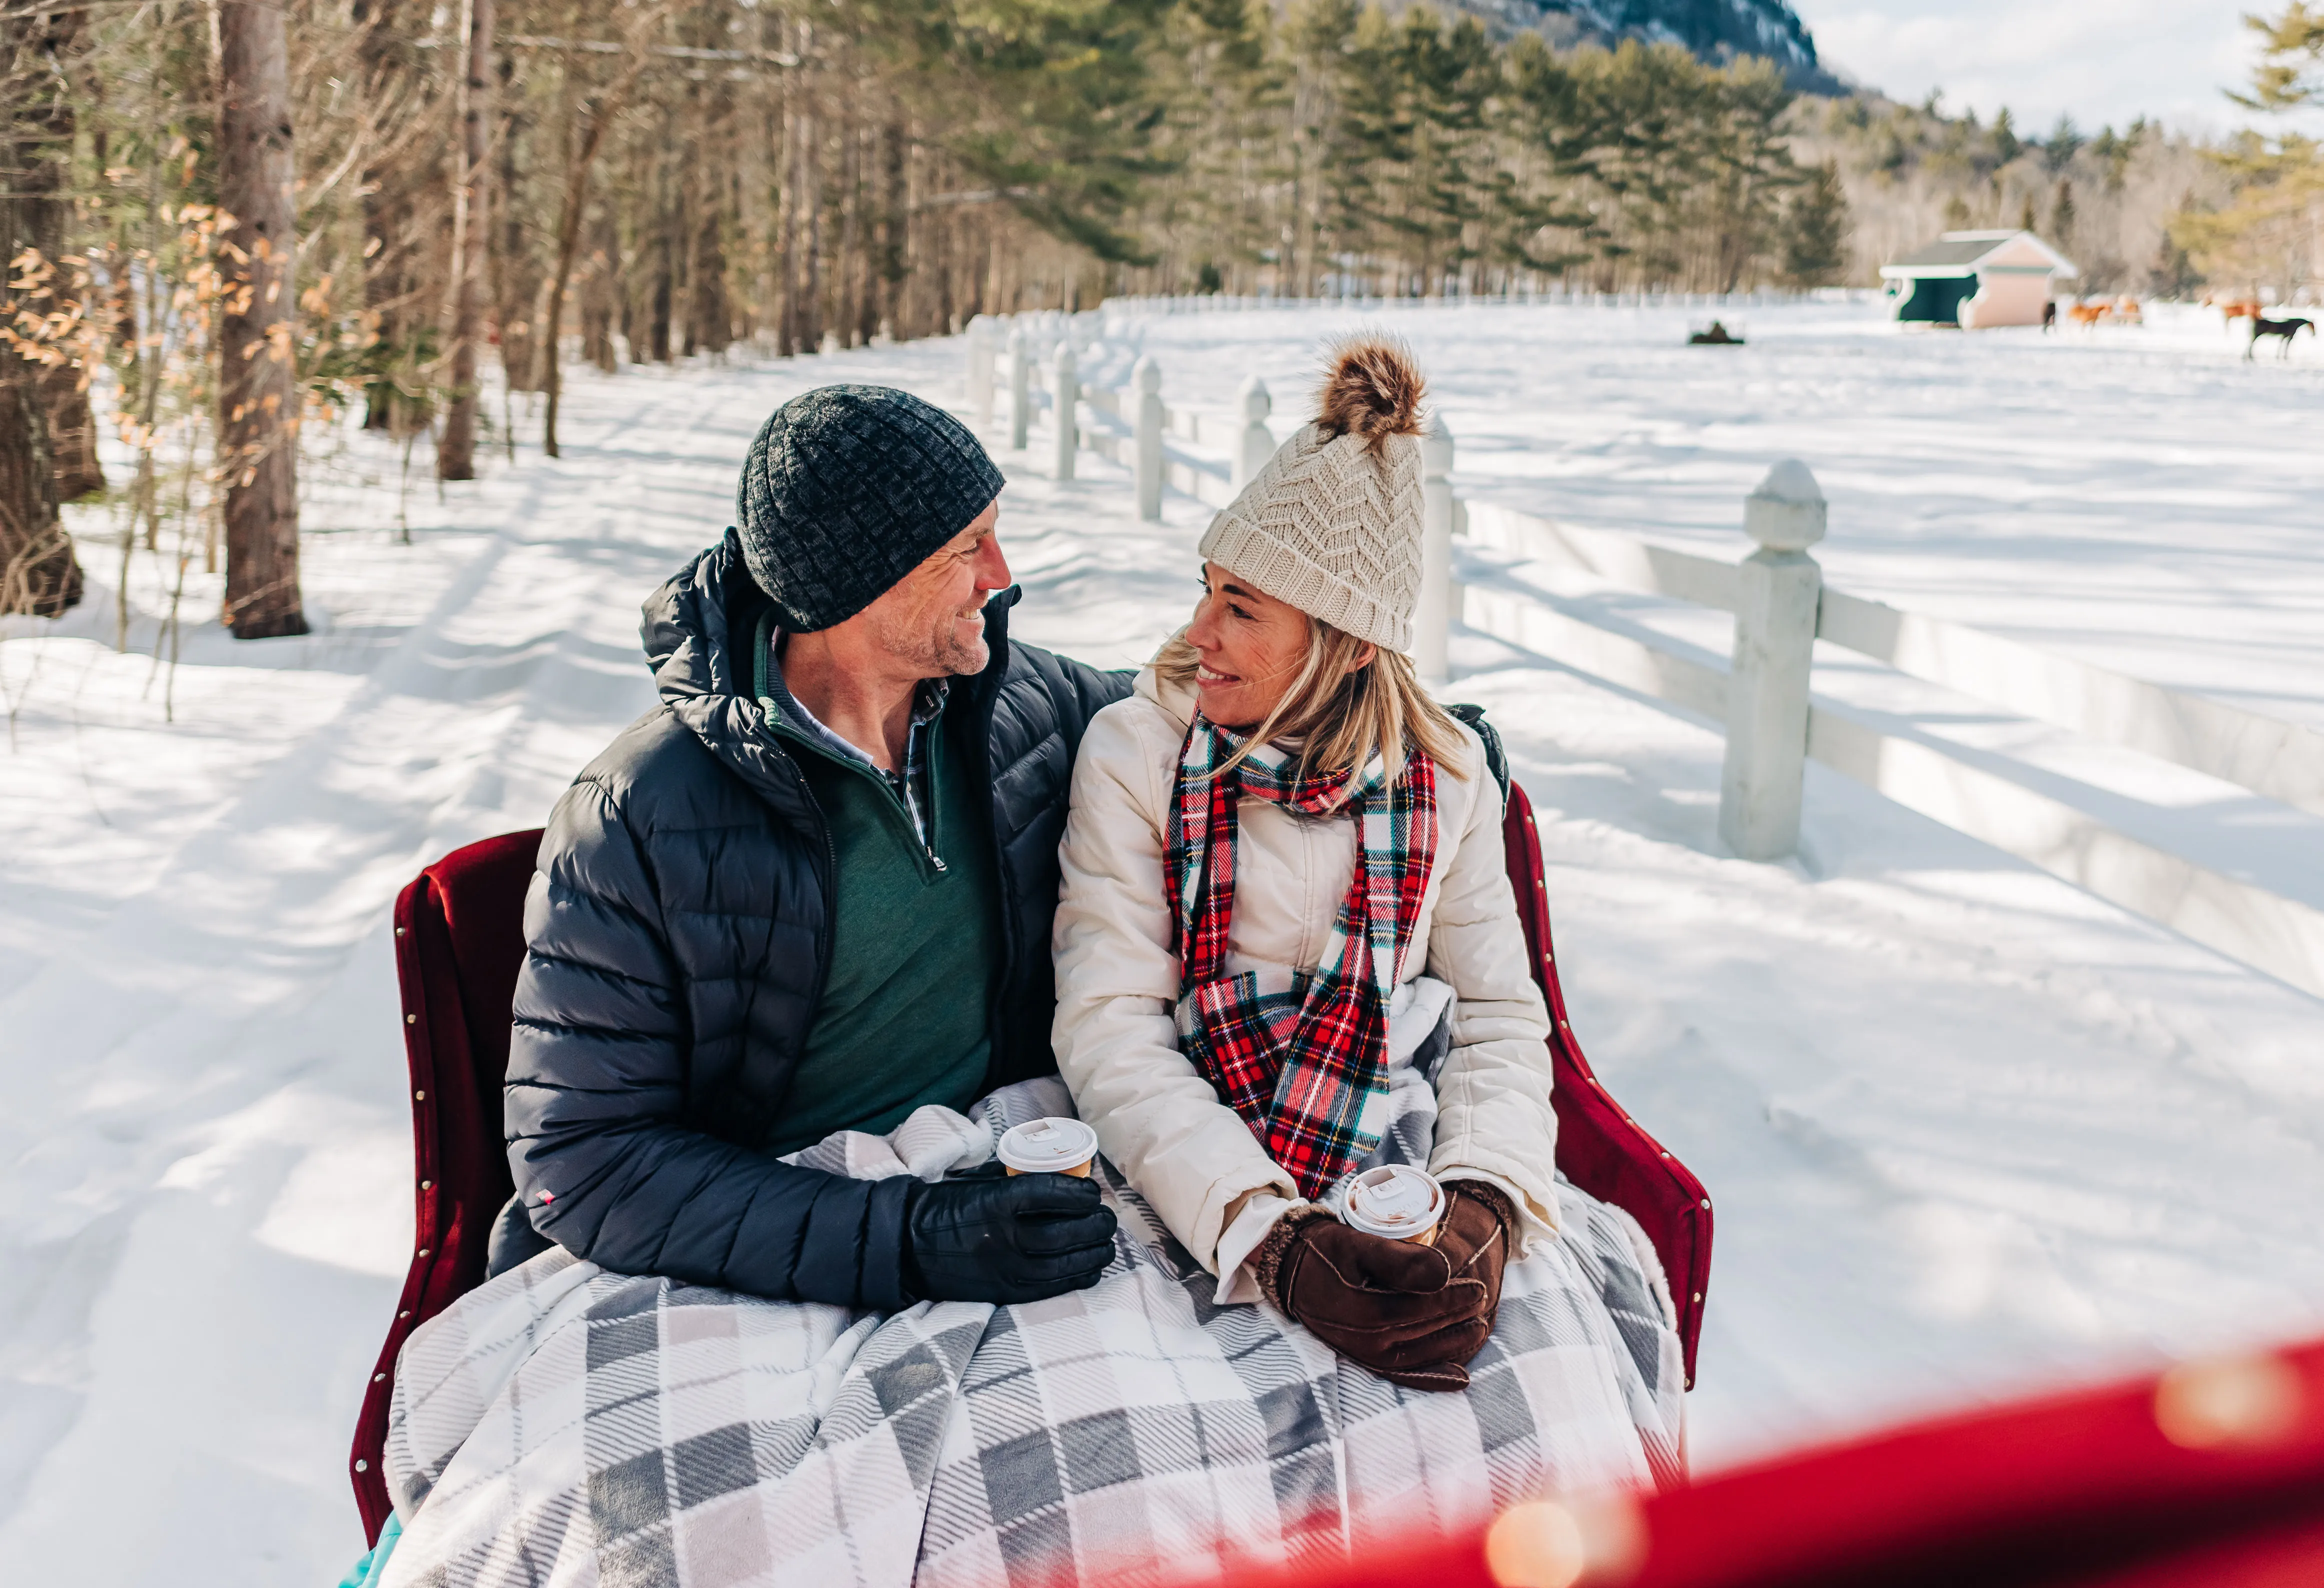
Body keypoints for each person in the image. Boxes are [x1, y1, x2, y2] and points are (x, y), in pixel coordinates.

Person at [498, 384, 1125, 1312]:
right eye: (967, 548)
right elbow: (582, 1161)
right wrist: (909, 1242)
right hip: (768, 1236)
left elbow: (1233, 710)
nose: (1000, 572)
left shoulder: (1021, 703)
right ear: (863, 585)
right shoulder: (639, 814)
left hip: (999, 1162)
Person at [1051, 338, 1562, 1391]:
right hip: (1178, 1141)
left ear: (1349, 645)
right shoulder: (1137, 751)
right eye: (1206, 588)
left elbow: (1495, 1017)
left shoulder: (1446, 778)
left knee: (1525, 1375)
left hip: (1398, 1126)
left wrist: (1484, 1201)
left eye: (1241, 607)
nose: (1197, 633)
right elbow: (1109, 1021)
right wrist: (1270, 1240)